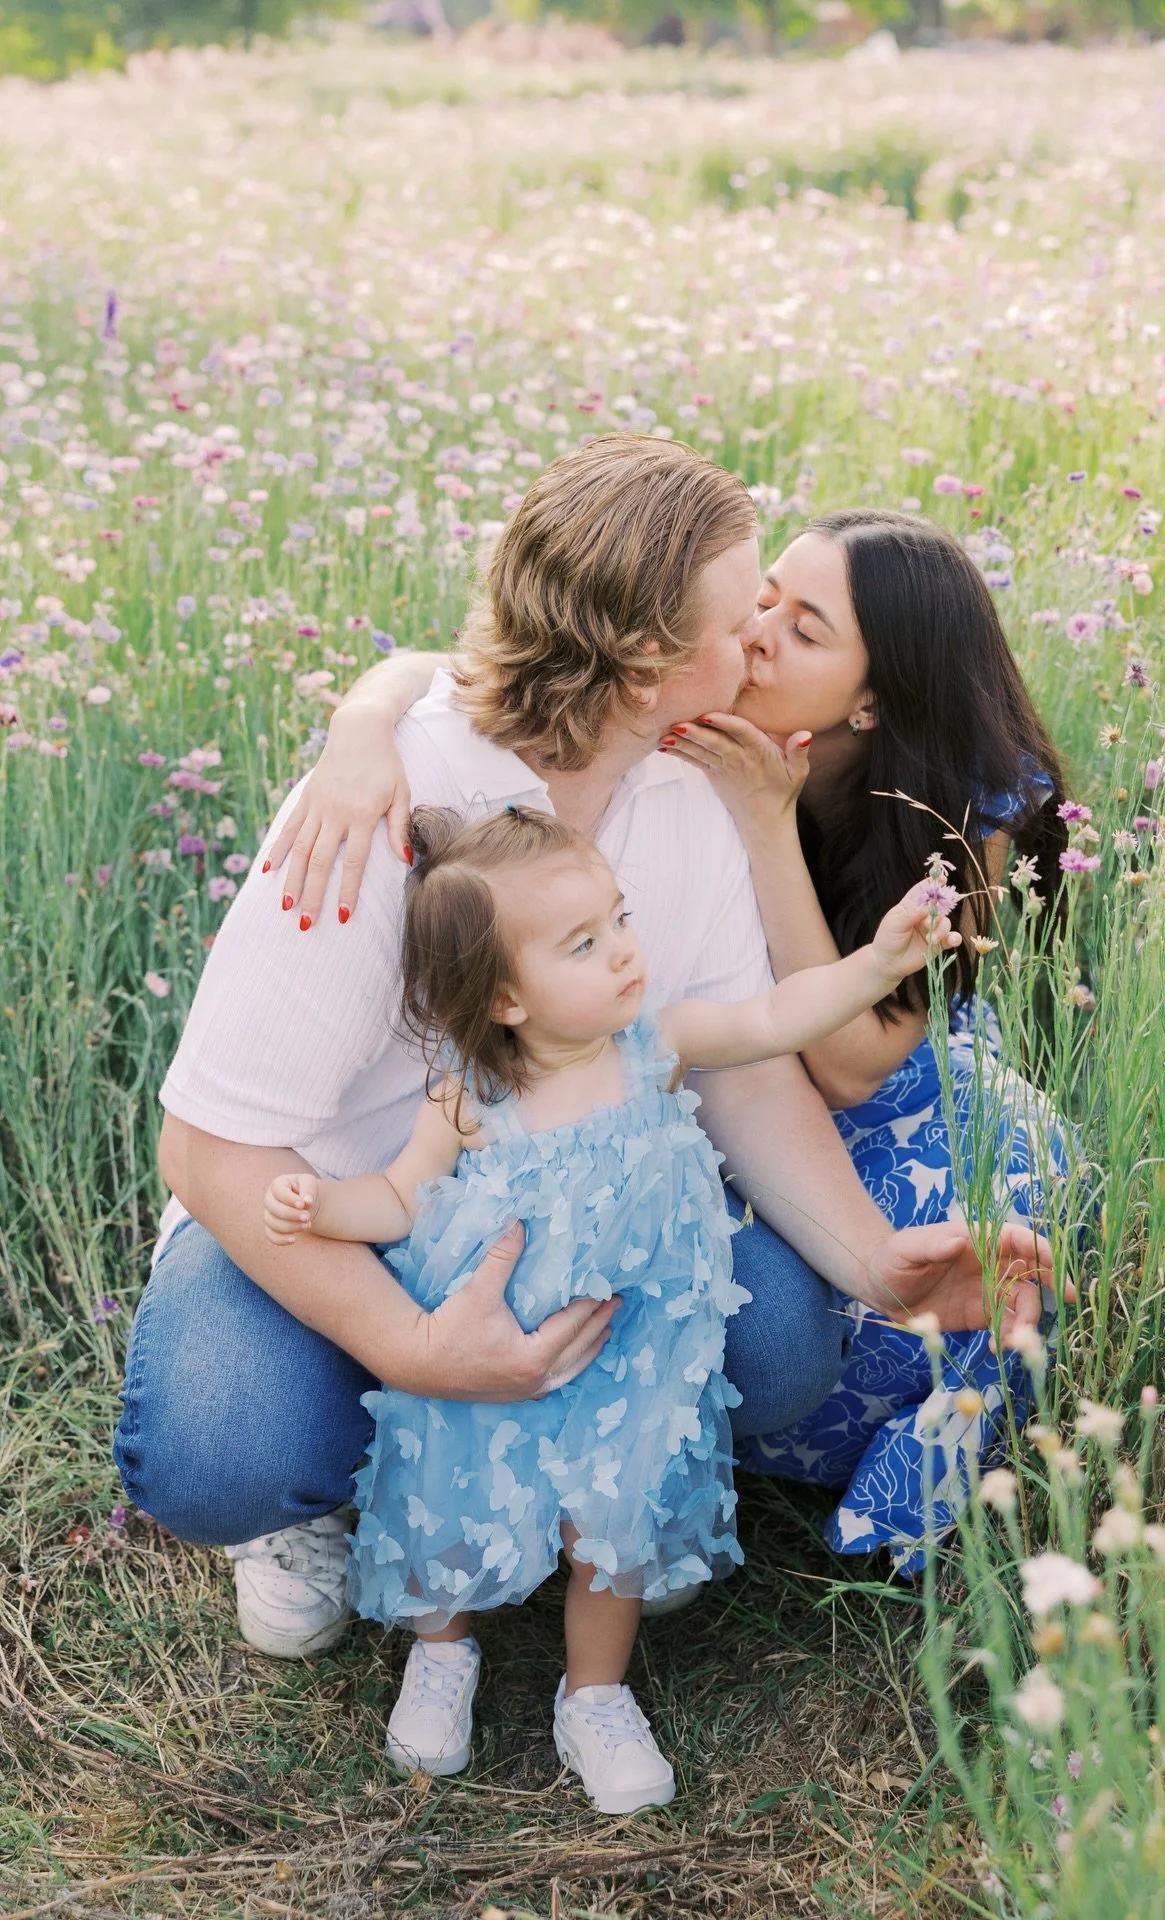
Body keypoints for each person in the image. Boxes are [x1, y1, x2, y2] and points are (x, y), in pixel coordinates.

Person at [115, 440, 1052, 1670]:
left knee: (779, 1348)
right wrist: (411, 1345)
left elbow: (735, 1064)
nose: (762, 636)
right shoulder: (391, 796)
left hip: (565, 1200)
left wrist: (879, 1265)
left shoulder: (691, 780)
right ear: (648, 660)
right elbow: (210, 1142)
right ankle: (330, 1495)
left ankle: (562, 1477)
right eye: (745, 613)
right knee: (218, 1447)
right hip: (343, 1205)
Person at [279, 505, 1079, 1573]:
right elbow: (474, 670)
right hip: (678, 1073)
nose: (759, 633)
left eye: (805, 630)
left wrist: (762, 822)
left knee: (898, 1285)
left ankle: (706, 1462)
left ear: (874, 694)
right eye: (767, 599)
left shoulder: (948, 809)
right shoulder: (682, 699)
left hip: (842, 1094)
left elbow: (844, 1068)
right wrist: (360, 722)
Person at [260, 802, 959, 1803]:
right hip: (483, 1349)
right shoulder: (468, 1094)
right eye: (585, 945)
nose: (627, 954)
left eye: (621, 921)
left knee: (615, 1528)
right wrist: (319, 1204)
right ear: (505, 998)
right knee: (456, 1501)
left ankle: (592, 1695)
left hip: (630, 1360)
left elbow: (773, 1018)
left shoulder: (656, 1045)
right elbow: (402, 1196)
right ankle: (443, 1652)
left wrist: (879, 966)